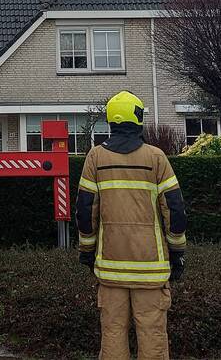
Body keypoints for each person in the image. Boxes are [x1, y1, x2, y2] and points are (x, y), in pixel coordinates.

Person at [76, 90, 186, 360]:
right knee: (153, 336)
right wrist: (177, 252)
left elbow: (85, 210)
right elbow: (175, 209)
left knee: (113, 334)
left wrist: (87, 251)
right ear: (138, 120)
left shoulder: (95, 158)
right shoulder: (156, 158)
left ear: (111, 121)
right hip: (151, 269)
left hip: (110, 268)